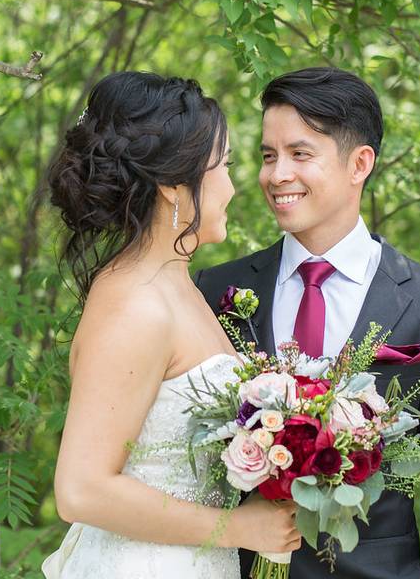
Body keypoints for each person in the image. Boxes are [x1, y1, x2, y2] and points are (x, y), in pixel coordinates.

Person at [194, 67, 420, 578]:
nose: (276, 174)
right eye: (268, 156)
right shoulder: (215, 292)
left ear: (360, 163)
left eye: (300, 154)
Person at [43, 71, 301, 578]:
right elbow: (80, 489)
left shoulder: (179, 286)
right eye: (223, 166)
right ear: (171, 185)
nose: (233, 185)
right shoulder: (133, 303)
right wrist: (239, 529)